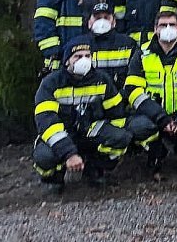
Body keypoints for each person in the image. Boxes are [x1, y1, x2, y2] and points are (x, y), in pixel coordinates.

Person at [32, 35, 136, 193]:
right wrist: (69, 154)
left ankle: (95, 168)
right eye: (78, 56)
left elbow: (117, 115)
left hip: (90, 131)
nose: (84, 60)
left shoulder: (102, 80)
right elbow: (47, 123)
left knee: (121, 137)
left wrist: (109, 142)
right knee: (44, 156)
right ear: (67, 61)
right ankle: (55, 178)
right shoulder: (51, 84)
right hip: (63, 134)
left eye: (87, 56)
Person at [124, 11, 177, 174]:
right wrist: (161, 118)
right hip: (154, 116)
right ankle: (156, 153)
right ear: (155, 29)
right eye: (163, 25)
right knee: (138, 126)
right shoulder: (142, 54)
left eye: (172, 25)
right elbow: (133, 91)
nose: (168, 28)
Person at [86, 2, 139, 90]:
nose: (102, 22)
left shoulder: (128, 43)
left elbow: (134, 75)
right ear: (89, 23)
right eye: (97, 18)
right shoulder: (79, 44)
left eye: (106, 18)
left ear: (114, 22)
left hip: (121, 97)